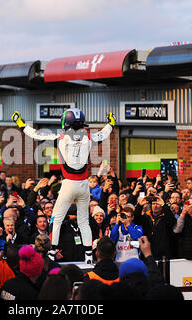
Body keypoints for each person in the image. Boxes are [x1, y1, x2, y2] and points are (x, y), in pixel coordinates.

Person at [12, 108, 116, 264]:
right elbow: (104, 133)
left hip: (68, 184)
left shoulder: (59, 137)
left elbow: (35, 134)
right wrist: (111, 122)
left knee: (57, 219)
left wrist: (20, 123)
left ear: (65, 122)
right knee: (83, 222)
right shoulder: (89, 137)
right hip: (83, 185)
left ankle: (52, 252)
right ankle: (88, 255)